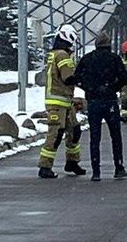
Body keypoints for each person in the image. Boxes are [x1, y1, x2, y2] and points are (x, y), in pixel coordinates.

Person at [73, 32, 127, 181]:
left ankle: (96, 171)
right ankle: (119, 167)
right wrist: (112, 88)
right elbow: (124, 77)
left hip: (93, 102)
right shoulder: (114, 59)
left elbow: (77, 77)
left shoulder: (88, 59)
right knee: (115, 136)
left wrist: (89, 89)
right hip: (110, 102)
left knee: (95, 137)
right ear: (109, 45)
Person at [38, 24, 86, 179]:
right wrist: (84, 80)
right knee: (56, 134)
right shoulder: (62, 55)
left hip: (65, 102)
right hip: (58, 102)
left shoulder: (56, 53)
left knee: (74, 131)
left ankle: (72, 162)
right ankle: (45, 166)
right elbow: (68, 78)